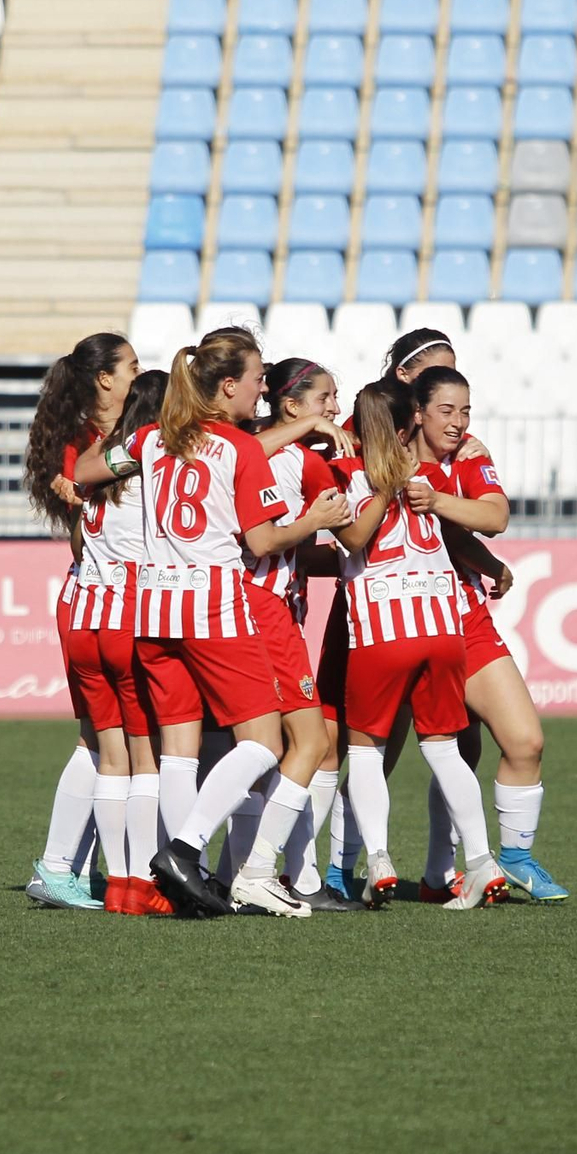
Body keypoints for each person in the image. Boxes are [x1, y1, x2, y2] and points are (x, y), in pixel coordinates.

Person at [73, 329, 350, 919]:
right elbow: (263, 539)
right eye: (255, 381)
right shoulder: (239, 449)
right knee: (264, 744)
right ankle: (185, 850)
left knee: (178, 752)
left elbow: (90, 467)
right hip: (214, 606)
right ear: (228, 386)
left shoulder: (151, 438)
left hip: (152, 607)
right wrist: (317, 519)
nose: (262, 391)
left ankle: (184, 878)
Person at [328, 379, 507, 910]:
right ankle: (479, 861)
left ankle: (378, 857)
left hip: (383, 629)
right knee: (446, 750)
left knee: (365, 752)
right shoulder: (430, 475)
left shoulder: (343, 477)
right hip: (443, 628)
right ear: (411, 424)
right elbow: (466, 531)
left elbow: (354, 540)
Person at [404, 365, 568, 901]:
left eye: (466, 410)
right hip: (398, 624)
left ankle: (514, 857)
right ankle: (337, 871)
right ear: (418, 410)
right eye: (447, 411)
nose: (458, 422)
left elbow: (494, 516)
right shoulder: (384, 456)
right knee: (368, 757)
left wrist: (441, 505)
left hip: (465, 620)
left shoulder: (469, 457)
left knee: (522, 741)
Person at [21, 332, 140, 910]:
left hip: (112, 599)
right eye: (132, 366)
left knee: (111, 739)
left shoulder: (118, 434)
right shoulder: (84, 444)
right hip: (99, 599)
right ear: (105, 379)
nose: (139, 376)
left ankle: (85, 865)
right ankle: (58, 864)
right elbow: (80, 529)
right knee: (100, 738)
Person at [242, 357, 360, 910]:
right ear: (291, 408)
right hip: (266, 614)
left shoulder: (238, 449)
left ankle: (237, 873)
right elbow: (356, 527)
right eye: (325, 399)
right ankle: (276, 872)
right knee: (310, 744)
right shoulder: (295, 461)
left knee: (246, 748)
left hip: (234, 610)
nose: (335, 408)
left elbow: (291, 545)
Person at [67, 370, 174, 916]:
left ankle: (115, 887)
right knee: (146, 759)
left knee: (110, 759)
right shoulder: (157, 465)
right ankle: (138, 881)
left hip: (85, 616)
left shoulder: (100, 462)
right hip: (129, 619)